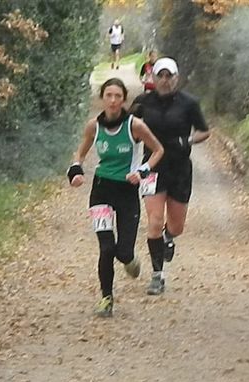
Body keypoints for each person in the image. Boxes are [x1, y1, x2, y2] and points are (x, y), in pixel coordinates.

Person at [67, 78, 164, 317]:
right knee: (106, 247)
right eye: (108, 95)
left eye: (117, 96)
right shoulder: (93, 126)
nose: (112, 101)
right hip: (101, 189)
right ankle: (106, 299)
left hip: (127, 190)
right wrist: (75, 170)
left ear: (124, 100)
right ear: (102, 98)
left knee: (123, 252)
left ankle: (130, 260)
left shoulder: (135, 126)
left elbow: (159, 150)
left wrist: (142, 171)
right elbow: (80, 152)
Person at [130, 57, 211, 295]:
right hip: (152, 167)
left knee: (176, 226)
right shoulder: (143, 102)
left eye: (169, 76)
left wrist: (187, 140)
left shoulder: (189, 103)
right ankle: (157, 276)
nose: (165, 81)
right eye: (160, 76)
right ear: (153, 78)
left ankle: (168, 237)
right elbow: (128, 124)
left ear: (176, 78)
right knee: (154, 221)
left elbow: (204, 131)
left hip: (180, 168)